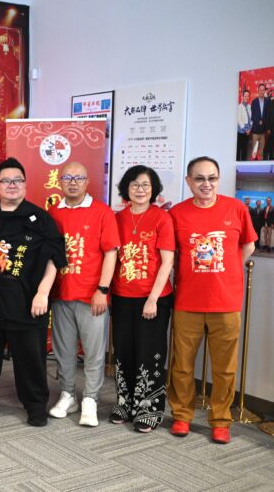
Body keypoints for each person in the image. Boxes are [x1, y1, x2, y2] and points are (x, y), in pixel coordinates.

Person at [0, 158, 66, 426]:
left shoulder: (41, 218)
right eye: (6, 181)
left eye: (17, 180)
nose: (12, 185)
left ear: (24, 184)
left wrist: (43, 292)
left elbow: (54, 258)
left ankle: (35, 404)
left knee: (30, 359)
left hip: (27, 301)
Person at [168, 156, 256, 444]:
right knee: (182, 364)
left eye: (212, 178)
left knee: (224, 367)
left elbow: (248, 246)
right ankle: (182, 415)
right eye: (200, 178)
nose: (206, 184)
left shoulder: (236, 208)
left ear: (219, 180)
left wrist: (227, 270)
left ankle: (220, 420)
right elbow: (171, 255)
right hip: (187, 301)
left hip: (226, 302)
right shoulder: (177, 213)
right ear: (189, 181)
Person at [48, 162, 119, 427]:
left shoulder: (102, 212)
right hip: (61, 293)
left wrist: (102, 289)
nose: (73, 182)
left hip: (92, 296)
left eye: (79, 178)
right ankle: (68, 395)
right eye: (67, 177)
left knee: (93, 353)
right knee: (64, 350)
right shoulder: (54, 212)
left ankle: (90, 398)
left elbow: (111, 253)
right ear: (60, 181)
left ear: (87, 182)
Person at [109, 166, 175, 433]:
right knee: (123, 351)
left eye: (146, 185)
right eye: (135, 184)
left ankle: (149, 408)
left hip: (154, 297)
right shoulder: (117, 218)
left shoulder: (162, 218)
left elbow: (167, 261)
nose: (140, 189)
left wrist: (153, 299)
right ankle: (125, 403)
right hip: (122, 296)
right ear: (126, 188)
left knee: (150, 352)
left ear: (153, 189)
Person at [249, 84, 269, 160]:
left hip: (263, 131)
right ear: (258, 91)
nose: (261, 92)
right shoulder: (254, 102)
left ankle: (260, 163)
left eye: (263, 90)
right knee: (254, 150)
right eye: (260, 90)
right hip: (255, 130)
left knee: (261, 151)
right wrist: (258, 121)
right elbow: (252, 115)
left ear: (264, 91)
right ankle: (253, 163)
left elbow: (268, 114)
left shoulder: (267, 101)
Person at [237, 90, 252, 161]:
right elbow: (239, 120)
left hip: (248, 132)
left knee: (245, 150)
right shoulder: (239, 107)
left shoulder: (249, 106)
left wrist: (250, 129)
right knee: (239, 149)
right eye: (245, 96)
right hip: (241, 132)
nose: (246, 97)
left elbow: (251, 119)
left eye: (248, 96)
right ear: (242, 97)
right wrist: (245, 130)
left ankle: (243, 163)